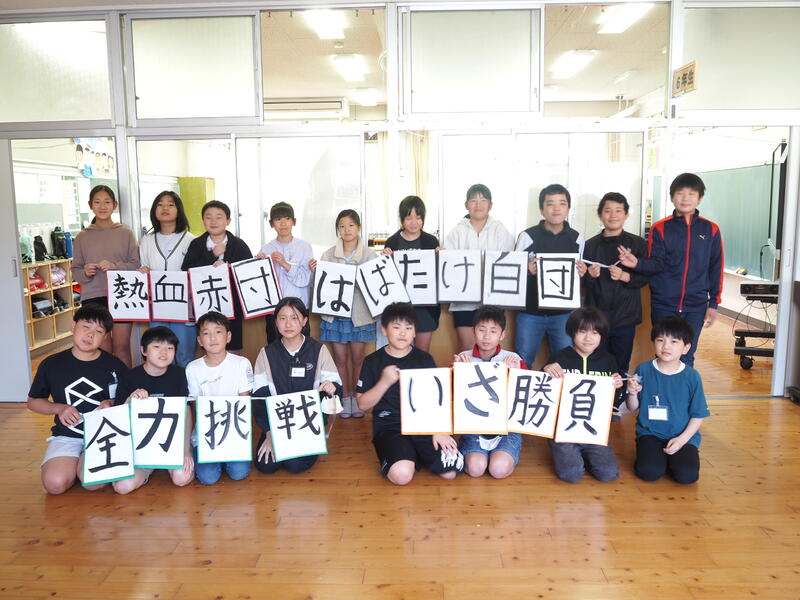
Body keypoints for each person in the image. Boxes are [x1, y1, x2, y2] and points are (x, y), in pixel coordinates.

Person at [618, 173, 723, 367]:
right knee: (664, 354)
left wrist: (714, 303)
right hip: (664, 304)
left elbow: (715, 267)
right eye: (680, 193)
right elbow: (656, 264)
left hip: (696, 305)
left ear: (699, 198)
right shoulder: (660, 228)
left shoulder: (711, 230)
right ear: (672, 197)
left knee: (687, 355)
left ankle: (682, 388)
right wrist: (637, 264)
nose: (685, 198)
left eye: (691, 194)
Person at [356, 302, 463, 485]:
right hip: (390, 427)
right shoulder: (372, 361)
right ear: (384, 330)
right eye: (396, 327)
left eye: (408, 328)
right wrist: (384, 382)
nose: (403, 333)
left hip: (423, 424)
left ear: (414, 332)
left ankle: (414, 453)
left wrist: (439, 431)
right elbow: (362, 405)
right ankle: (407, 455)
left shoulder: (425, 359)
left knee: (450, 472)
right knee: (402, 475)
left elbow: (437, 400)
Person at [26, 305, 126, 494]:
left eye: (99, 331)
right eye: (86, 327)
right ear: (73, 326)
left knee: (92, 483)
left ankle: (83, 465)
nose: (90, 335)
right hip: (67, 435)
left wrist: (111, 403)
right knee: (55, 485)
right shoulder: (51, 364)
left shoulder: (115, 366)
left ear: (105, 337)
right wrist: (59, 408)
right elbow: (33, 402)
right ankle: (75, 464)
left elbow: (126, 401)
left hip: (104, 434)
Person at [252, 297, 343, 475]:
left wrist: (332, 389)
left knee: (295, 465)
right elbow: (259, 396)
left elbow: (336, 387)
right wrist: (269, 433)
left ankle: (310, 445)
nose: (288, 324)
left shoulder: (318, 350)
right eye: (282, 318)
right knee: (265, 465)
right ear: (275, 322)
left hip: (308, 423)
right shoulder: (267, 353)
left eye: (294, 318)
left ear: (304, 321)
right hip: (278, 423)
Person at [583, 192, 648, 418]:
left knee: (621, 362)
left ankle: (615, 405)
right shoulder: (589, 245)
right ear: (600, 215)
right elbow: (582, 283)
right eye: (607, 211)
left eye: (618, 210)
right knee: (595, 361)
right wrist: (590, 276)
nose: (613, 215)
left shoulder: (637, 244)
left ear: (626, 214)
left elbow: (645, 277)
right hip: (596, 317)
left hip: (625, 315)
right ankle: (596, 405)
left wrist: (624, 276)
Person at [626, 317, 710, 484]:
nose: (666, 346)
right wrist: (632, 394)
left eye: (674, 341)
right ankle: (657, 458)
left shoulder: (692, 376)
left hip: (682, 435)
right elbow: (632, 407)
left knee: (687, 476)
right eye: (660, 340)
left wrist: (681, 440)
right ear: (653, 343)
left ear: (686, 348)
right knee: (649, 472)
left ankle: (670, 459)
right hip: (650, 433)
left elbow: (698, 415)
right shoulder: (643, 370)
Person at [542, 308, 623, 483]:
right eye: (582, 331)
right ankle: (568, 453)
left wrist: (617, 386)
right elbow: (543, 391)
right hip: (564, 429)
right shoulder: (559, 357)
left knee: (608, 474)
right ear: (572, 332)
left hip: (594, 429)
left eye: (595, 332)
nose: (588, 338)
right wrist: (546, 369)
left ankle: (584, 454)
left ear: (601, 335)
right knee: (571, 475)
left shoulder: (608, 360)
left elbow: (612, 400)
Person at [309, 209, 376, 418]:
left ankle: (358, 398)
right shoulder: (328, 254)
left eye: (351, 225)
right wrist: (315, 270)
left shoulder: (369, 254)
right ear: (338, 229)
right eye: (342, 226)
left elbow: (374, 284)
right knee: (339, 359)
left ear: (358, 227)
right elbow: (319, 286)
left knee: (358, 358)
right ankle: (344, 397)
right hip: (335, 314)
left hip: (360, 314)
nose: (346, 230)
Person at [113, 326, 194, 493]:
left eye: (170, 348)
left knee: (182, 478)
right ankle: (148, 469)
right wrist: (130, 400)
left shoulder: (180, 375)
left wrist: (186, 450)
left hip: (173, 442)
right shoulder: (129, 377)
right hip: (140, 446)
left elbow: (186, 412)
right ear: (143, 350)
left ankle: (166, 464)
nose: (164, 352)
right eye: (157, 347)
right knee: (123, 487)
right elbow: (117, 418)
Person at [515, 183, 586, 369]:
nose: (556, 208)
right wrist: (527, 271)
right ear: (541, 209)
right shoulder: (527, 236)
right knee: (523, 360)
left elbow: (580, 276)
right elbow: (513, 272)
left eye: (562, 203)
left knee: (565, 363)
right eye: (550, 203)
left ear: (568, 209)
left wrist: (582, 273)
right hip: (530, 312)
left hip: (564, 314)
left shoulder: (577, 238)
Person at [71, 185, 140, 367]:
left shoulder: (126, 233)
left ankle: (124, 384)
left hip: (122, 295)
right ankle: (105, 384)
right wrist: (85, 272)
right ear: (90, 205)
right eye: (97, 202)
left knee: (122, 347)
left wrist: (115, 266)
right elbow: (76, 271)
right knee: (102, 348)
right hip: (93, 297)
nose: (102, 206)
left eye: (107, 202)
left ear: (114, 205)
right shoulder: (82, 237)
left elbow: (136, 264)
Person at [454, 306, 525, 479]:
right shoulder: (464, 357)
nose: (486, 336)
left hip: (506, 429)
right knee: (476, 469)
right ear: (473, 331)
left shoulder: (513, 359)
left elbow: (525, 397)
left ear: (502, 335)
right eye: (481, 330)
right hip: (474, 428)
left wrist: (516, 373)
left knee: (498, 470)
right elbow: (452, 396)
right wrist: (459, 371)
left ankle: (503, 453)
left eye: (493, 331)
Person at [185, 311, 254, 485]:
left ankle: (227, 458)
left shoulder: (241, 363)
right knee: (208, 478)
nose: (212, 338)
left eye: (218, 331)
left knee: (239, 473)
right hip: (207, 434)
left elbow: (244, 402)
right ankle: (205, 455)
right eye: (206, 333)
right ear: (199, 340)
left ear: (228, 336)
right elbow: (195, 406)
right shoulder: (193, 368)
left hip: (234, 432)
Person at [444, 184, 514, 352]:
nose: (478, 204)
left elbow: (510, 262)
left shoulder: (500, 230)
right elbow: (448, 265)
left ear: (490, 204)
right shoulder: (457, 231)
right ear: (466, 205)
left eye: (483, 200)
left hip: (493, 300)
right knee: (467, 349)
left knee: (490, 348)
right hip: (463, 301)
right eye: (473, 200)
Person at [181, 200, 252, 354]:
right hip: (204, 305)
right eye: (208, 217)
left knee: (232, 348)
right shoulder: (196, 244)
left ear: (228, 220)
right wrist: (211, 256)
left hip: (232, 308)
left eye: (219, 217)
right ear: (203, 221)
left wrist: (228, 269)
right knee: (209, 347)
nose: (213, 221)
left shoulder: (239, 245)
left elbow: (248, 274)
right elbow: (187, 271)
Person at [138, 191, 196, 366]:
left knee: (183, 355)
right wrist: (143, 271)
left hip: (184, 305)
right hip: (157, 305)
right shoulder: (147, 240)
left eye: (171, 204)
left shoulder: (191, 240)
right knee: (159, 354)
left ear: (179, 210)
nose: (165, 208)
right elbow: (143, 266)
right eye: (160, 204)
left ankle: (184, 384)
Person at [382, 195, 441, 353]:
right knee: (400, 352)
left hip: (425, 308)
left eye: (418, 217)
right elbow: (386, 275)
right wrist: (384, 258)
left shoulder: (431, 241)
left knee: (422, 353)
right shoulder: (392, 242)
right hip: (399, 307)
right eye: (409, 218)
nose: (414, 222)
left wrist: (443, 257)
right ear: (402, 219)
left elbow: (439, 275)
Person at [255, 202, 313, 345]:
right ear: (271, 224)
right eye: (278, 219)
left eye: (287, 218)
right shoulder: (266, 248)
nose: (283, 223)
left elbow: (304, 279)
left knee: (302, 348)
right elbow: (260, 285)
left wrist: (284, 263)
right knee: (275, 347)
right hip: (274, 308)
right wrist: (258, 265)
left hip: (299, 306)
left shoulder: (304, 247)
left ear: (294, 221)